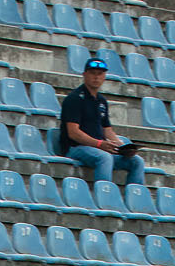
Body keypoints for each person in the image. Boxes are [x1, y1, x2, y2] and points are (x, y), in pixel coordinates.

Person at [58, 56, 144, 186]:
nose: (96, 77)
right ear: (84, 74)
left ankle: (134, 199)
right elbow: (73, 133)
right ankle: (104, 197)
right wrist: (99, 144)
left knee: (136, 161)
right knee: (104, 158)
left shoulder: (101, 101)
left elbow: (107, 130)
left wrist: (121, 147)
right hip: (76, 147)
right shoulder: (74, 99)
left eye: (100, 74)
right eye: (92, 73)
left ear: (104, 76)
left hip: (98, 147)